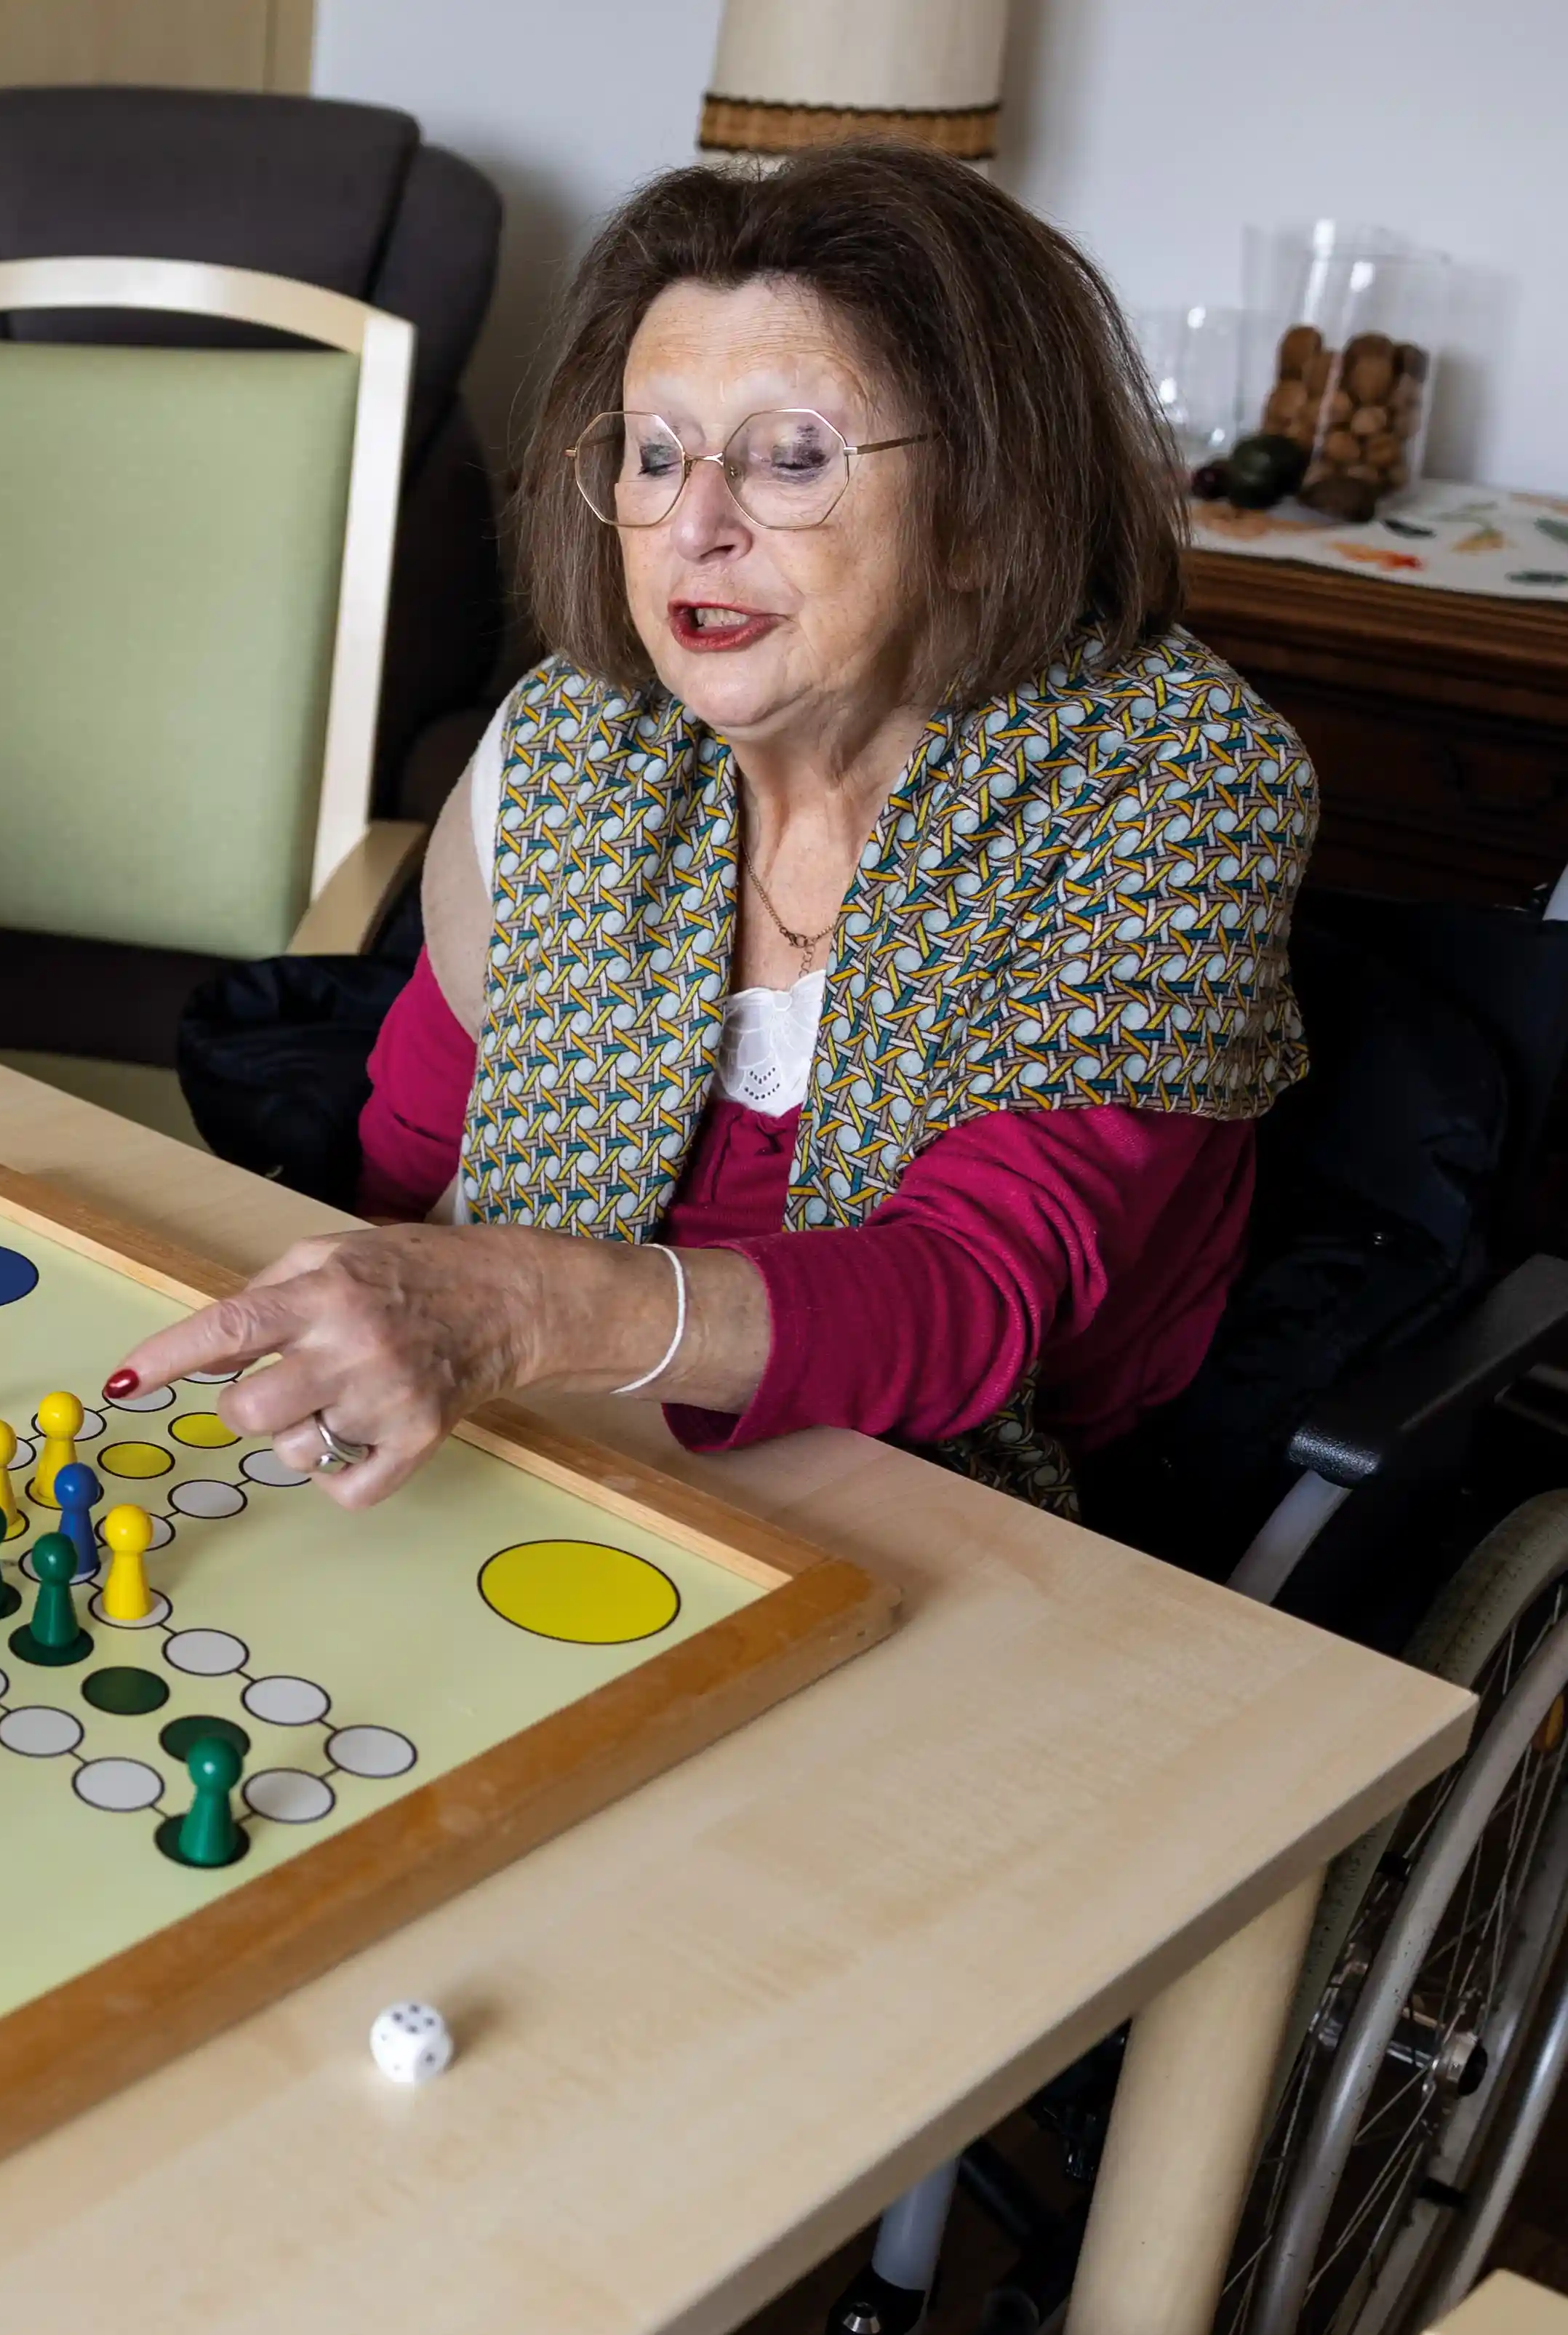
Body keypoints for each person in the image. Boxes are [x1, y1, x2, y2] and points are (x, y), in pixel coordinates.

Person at [113, 144, 1313, 1519]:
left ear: (986, 503)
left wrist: (510, 1310)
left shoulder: (1176, 780)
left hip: (943, 1516)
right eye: (654, 451)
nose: (693, 525)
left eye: (794, 457)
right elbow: (409, 1158)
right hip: (537, 1452)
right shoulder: (576, 739)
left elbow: (980, 1299)